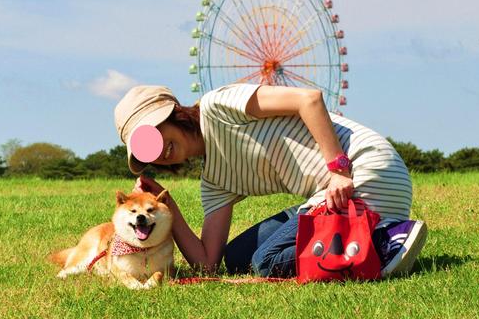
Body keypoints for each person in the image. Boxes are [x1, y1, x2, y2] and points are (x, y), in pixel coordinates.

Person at [114, 83, 427, 278]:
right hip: (333, 196)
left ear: (171, 113)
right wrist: (166, 204)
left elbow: (309, 100)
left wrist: (338, 169)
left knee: (266, 262)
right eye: (146, 152)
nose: (158, 153)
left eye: (153, 136)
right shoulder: (214, 182)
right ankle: (363, 234)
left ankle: (381, 240)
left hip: (365, 170)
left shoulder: (217, 106)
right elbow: (207, 264)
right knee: (237, 259)